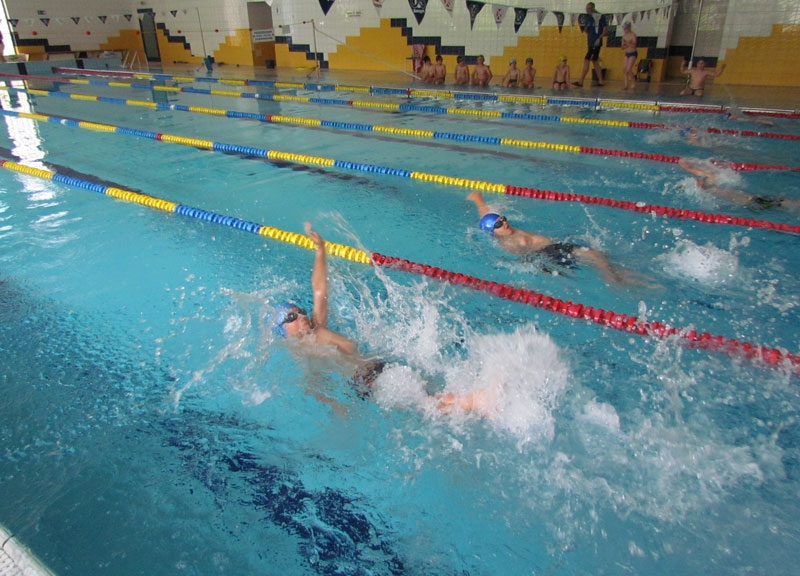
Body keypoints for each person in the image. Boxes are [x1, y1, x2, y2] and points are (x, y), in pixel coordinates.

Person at [273, 222, 491, 413]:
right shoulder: (301, 350)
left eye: (300, 310)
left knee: (429, 399)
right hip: (367, 382)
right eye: (292, 316)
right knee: (427, 403)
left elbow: (319, 290)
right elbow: (311, 383)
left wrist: (320, 250)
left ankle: (477, 404)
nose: (301, 315)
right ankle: (477, 403)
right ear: (283, 330)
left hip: (378, 367)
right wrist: (335, 406)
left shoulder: (317, 327)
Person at [466, 192, 637, 284]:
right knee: (592, 258)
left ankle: (615, 275)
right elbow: (524, 259)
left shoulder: (504, 229)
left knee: (597, 256)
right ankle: (614, 280)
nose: (504, 223)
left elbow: (487, 217)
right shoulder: (506, 241)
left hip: (554, 249)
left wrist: (478, 200)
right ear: (492, 232)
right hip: (548, 255)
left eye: (503, 219)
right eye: (498, 225)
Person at [678, 158, 799, 210]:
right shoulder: (710, 189)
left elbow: (710, 175)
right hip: (752, 202)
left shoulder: (710, 188)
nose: (697, 180)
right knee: (783, 203)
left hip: (752, 201)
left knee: (783, 203)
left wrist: (685, 165)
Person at [574, 2, 608, 87]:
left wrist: (599, 39)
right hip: (590, 42)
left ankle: (581, 81)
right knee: (595, 61)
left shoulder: (600, 17)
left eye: (588, 9)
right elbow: (586, 30)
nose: (587, 10)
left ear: (593, 8)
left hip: (596, 42)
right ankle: (601, 81)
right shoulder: (588, 18)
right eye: (586, 9)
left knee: (587, 59)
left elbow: (605, 30)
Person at [620, 22, 637, 91]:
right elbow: (622, 47)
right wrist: (628, 43)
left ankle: (633, 82)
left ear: (629, 27)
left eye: (626, 28)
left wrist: (627, 43)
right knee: (624, 69)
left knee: (628, 69)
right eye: (624, 28)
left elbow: (634, 46)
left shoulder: (633, 35)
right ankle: (626, 85)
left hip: (633, 53)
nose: (625, 29)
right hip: (627, 53)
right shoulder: (624, 36)